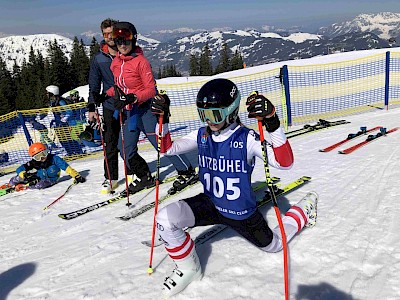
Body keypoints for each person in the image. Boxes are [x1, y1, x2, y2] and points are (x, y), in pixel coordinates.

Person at [151, 78, 318, 297]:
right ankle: (188, 269)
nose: (209, 121)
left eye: (215, 115)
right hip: (210, 203)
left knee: (274, 246)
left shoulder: (246, 138)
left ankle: (303, 211)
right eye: (204, 115)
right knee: (164, 218)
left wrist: (272, 122)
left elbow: (284, 163)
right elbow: (167, 149)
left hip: (242, 214)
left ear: (230, 111)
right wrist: (163, 120)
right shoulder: (202, 135)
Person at [100, 21, 197, 196]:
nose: (122, 44)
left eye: (126, 40)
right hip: (129, 112)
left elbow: (151, 89)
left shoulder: (141, 61)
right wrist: (105, 94)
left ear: (134, 40)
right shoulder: (116, 63)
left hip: (146, 111)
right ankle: (144, 176)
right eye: (119, 40)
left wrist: (134, 97)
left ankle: (187, 171)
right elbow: (118, 85)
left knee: (162, 146)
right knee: (124, 149)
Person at [88, 18, 122, 194]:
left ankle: (133, 172)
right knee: (110, 143)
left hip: (129, 104)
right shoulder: (99, 59)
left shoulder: (126, 51)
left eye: (112, 33)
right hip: (109, 105)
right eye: (106, 34)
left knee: (128, 142)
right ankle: (110, 177)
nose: (109, 37)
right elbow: (94, 85)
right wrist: (92, 109)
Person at [7, 142, 85, 190]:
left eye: (43, 154)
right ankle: (11, 184)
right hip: (38, 177)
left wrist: (77, 176)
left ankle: (26, 186)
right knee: (20, 177)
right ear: (34, 158)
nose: (42, 158)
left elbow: (67, 168)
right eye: (38, 157)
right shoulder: (33, 163)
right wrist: (23, 174)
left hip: (51, 179)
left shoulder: (54, 159)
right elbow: (19, 169)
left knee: (40, 185)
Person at [46, 85, 83, 156]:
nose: (47, 94)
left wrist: (64, 118)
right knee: (62, 140)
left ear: (52, 93)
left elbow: (69, 111)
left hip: (64, 124)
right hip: (59, 124)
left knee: (68, 139)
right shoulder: (53, 102)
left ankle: (77, 152)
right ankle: (70, 153)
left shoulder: (61, 101)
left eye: (48, 93)